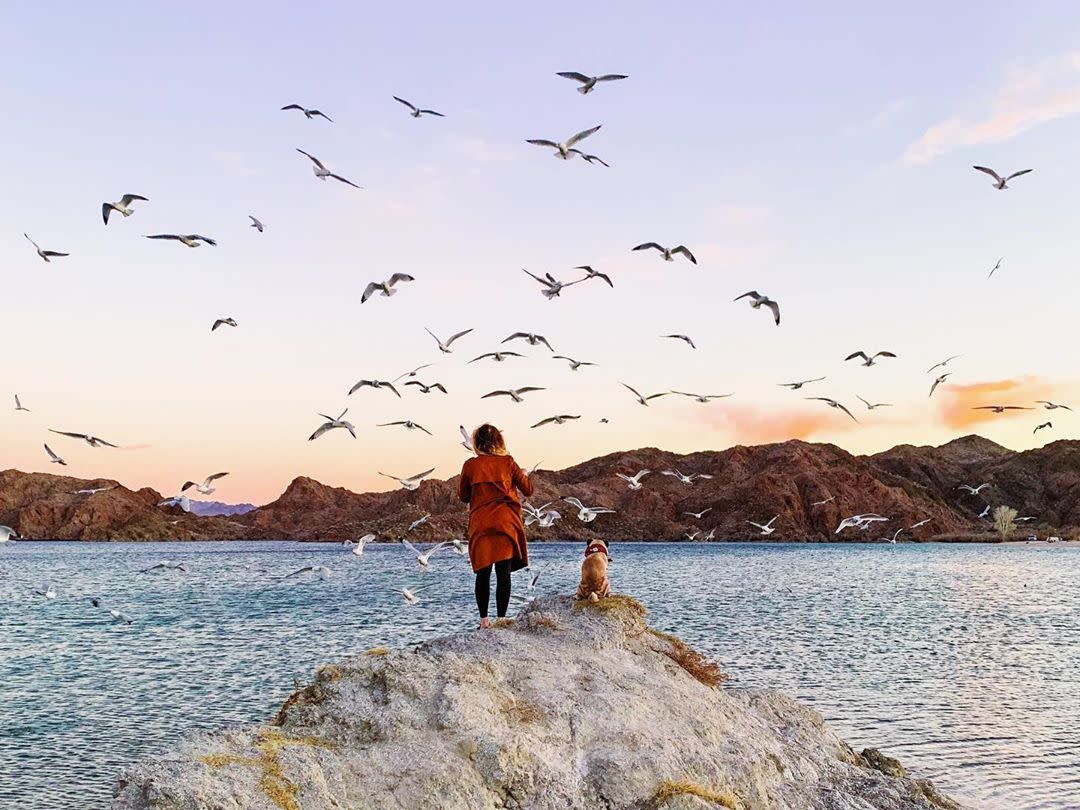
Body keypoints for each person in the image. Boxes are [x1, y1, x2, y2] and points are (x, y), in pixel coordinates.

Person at [458, 424, 534, 628]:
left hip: (481, 524)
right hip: (505, 523)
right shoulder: (508, 462)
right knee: (503, 573)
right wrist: (523, 474)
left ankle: (484, 621)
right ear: (499, 441)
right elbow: (528, 490)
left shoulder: (470, 465)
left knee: (483, 573)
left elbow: (463, 496)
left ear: (476, 442)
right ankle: (501, 620)